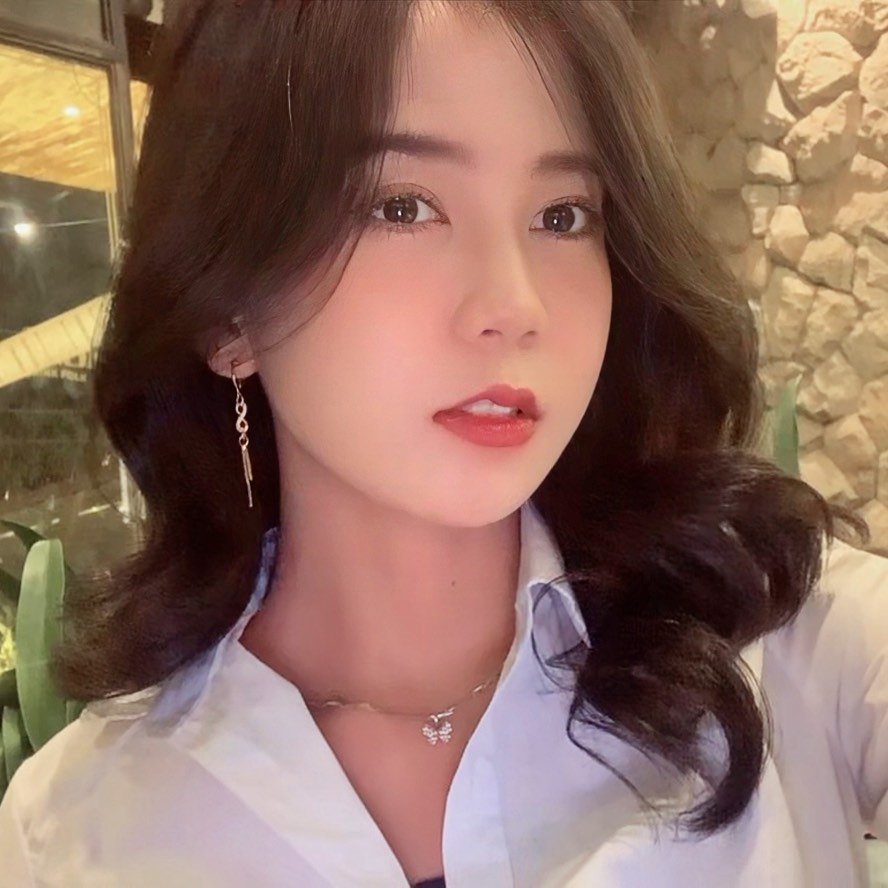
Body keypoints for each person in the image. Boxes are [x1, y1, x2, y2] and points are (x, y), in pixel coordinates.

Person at [0, 1, 885, 885]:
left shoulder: (784, 642)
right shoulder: (76, 834)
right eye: (403, 206)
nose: (516, 305)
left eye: (563, 216)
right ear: (228, 308)